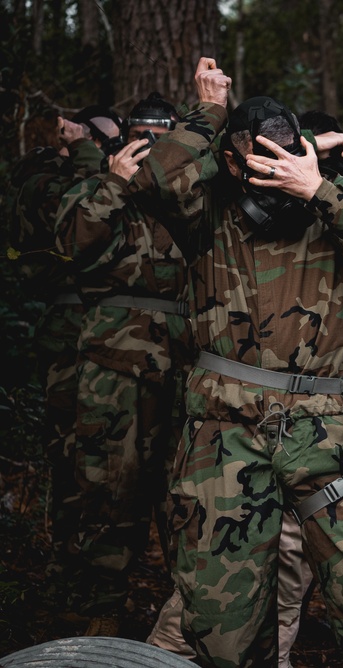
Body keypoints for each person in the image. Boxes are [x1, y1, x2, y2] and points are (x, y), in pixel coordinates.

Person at [154, 77, 343, 666]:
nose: (271, 172)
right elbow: (156, 178)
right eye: (258, 160)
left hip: (323, 433)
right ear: (232, 162)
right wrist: (208, 111)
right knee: (222, 625)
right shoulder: (206, 210)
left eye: (284, 154)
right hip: (221, 434)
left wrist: (320, 188)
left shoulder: (336, 201)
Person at [51, 88, 205, 635]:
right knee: (107, 486)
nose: (153, 151)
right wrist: (113, 179)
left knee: (184, 488)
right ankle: (99, 609)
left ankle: (186, 613)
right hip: (111, 360)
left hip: (186, 360)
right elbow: (72, 242)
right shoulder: (100, 187)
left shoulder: (191, 193)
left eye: (163, 141)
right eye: (144, 139)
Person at [4, 109, 110, 605]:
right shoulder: (45, 180)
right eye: (100, 140)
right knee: (71, 455)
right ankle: (70, 571)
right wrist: (88, 155)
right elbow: (79, 220)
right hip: (69, 330)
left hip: (105, 329)